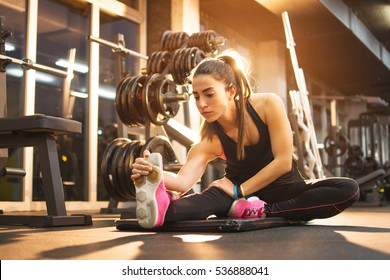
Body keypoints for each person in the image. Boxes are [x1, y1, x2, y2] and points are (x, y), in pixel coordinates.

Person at [131, 50, 360, 229]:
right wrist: (154, 174)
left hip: (281, 191)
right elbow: (183, 182)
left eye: (209, 94)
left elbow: (283, 162)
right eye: (197, 96)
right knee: (180, 210)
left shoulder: (268, 104)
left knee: (347, 189)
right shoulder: (209, 140)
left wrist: (240, 192)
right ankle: (163, 203)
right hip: (234, 196)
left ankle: (263, 211)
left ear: (231, 92)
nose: (201, 104)